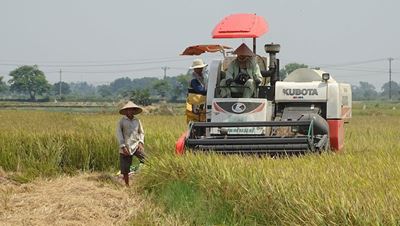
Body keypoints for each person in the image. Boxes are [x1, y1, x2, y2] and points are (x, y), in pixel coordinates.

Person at [116, 101, 145, 187]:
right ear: (125, 111)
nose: (130, 111)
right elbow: (119, 134)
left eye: (132, 110)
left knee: (147, 160)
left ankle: (145, 179)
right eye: (128, 110)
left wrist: (141, 142)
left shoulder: (137, 121)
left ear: (134, 111)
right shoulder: (122, 121)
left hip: (136, 145)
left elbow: (141, 132)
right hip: (126, 146)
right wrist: (123, 146)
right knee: (125, 169)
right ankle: (127, 185)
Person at [186, 59, 207, 124]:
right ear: (195, 69)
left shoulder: (202, 77)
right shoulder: (193, 79)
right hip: (195, 102)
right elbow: (200, 90)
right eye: (199, 68)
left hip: (200, 101)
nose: (201, 69)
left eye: (201, 68)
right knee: (196, 120)